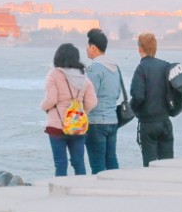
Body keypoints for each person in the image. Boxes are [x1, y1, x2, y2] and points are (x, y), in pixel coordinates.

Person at [40, 42, 97, 177]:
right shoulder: (84, 77)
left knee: (60, 163)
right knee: (79, 163)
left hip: (57, 126)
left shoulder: (53, 74)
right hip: (77, 125)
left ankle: (60, 195)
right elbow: (92, 102)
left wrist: (43, 107)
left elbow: (51, 99)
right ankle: (81, 191)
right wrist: (80, 113)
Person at [130, 31, 175, 167]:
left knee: (150, 166)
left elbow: (138, 96)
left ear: (139, 48)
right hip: (165, 122)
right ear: (155, 48)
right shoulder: (166, 66)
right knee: (167, 165)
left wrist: (132, 111)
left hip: (148, 124)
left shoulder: (141, 68)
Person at [83, 28, 123, 173]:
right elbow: (117, 93)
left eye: (87, 46)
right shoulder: (115, 67)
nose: (86, 50)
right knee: (112, 161)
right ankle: (116, 191)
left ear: (93, 47)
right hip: (112, 120)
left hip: (96, 123)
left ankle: (98, 194)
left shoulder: (95, 68)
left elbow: (89, 97)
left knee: (97, 165)